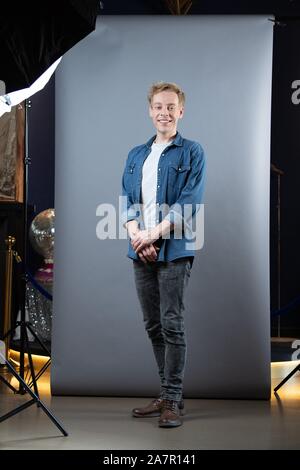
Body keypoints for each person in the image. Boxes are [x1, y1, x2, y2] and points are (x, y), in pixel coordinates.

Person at [121, 81, 206, 428]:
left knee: (172, 324)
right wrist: (137, 237)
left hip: (175, 249)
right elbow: (127, 201)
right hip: (140, 248)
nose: (164, 113)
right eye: (159, 106)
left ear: (180, 111)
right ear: (150, 110)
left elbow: (189, 203)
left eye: (171, 107)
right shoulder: (136, 155)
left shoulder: (192, 152)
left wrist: (152, 236)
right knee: (153, 324)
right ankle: (168, 393)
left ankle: (172, 400)